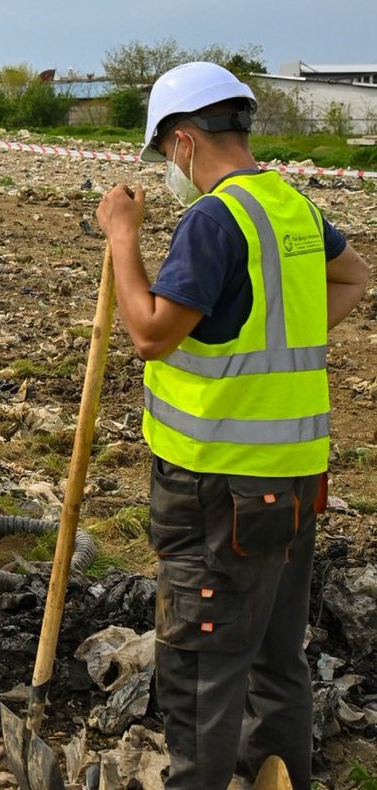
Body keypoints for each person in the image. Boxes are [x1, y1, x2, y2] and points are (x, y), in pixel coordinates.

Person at [96, 61, 369, 789]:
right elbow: (354, 278)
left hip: (218, 484)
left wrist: (123, 236)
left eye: (164, 155)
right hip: (295, 475)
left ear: (184, 141)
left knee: (200, 667)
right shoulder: (291, 205)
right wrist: (277, 344)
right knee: (277, 658)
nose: (167, 170)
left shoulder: (215, 218)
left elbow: (152, 333)